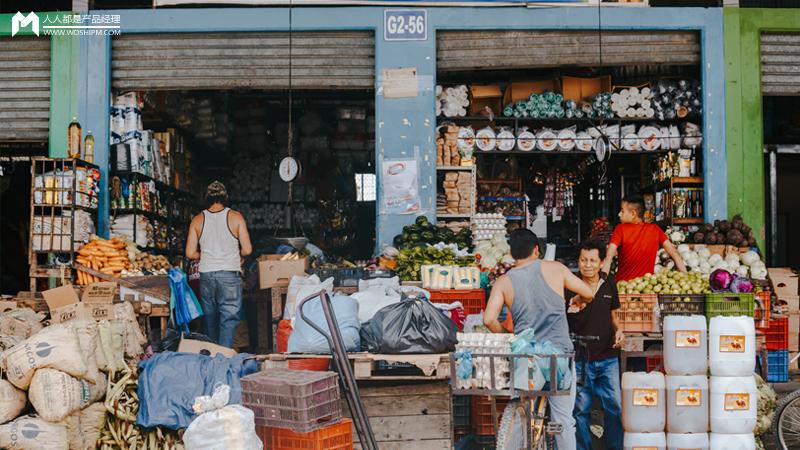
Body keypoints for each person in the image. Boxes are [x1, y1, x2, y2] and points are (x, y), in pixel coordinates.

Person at [484, 229, 594, 450]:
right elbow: (589, 292)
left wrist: (509, 336)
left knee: (524, 409)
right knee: (563, 420)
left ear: (512, 253)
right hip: (558, 358)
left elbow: (489, 319)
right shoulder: (555, 269)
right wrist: (579, 299)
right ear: (536, 250)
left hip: (527, 359)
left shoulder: (504, 281)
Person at [566, 240, 624, 450]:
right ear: (578, 262)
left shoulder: (609, 283)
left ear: (601, 263)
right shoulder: (569, 285)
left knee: (614, 407)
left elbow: (614, 316)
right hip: (581, 359)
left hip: (608, 358)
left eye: (592, 260)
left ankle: (615, 447)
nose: (587, 265)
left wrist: (619, 330)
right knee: (581, 410)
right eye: (583, 260)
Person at [185, 181, 252, 347]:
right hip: (229, 274)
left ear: (207, 198)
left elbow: (190, 253)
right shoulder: (236, 217)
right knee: (228, 320)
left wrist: (206, 254)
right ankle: (223, 358)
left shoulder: (198, 219)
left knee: (210, 319)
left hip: (207, 275)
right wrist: (238, 254)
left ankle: (213, 358)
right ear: (226, 197)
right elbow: (247, 249)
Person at [602, 195, 686, 281]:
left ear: (633, 214)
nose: (619, 214)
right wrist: (685, 277)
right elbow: (674, 254)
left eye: (622, 211)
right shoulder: (655, 229)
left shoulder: (620, 229)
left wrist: (601, 284)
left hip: (624, 288)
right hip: (647, 288)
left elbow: (608, 258)